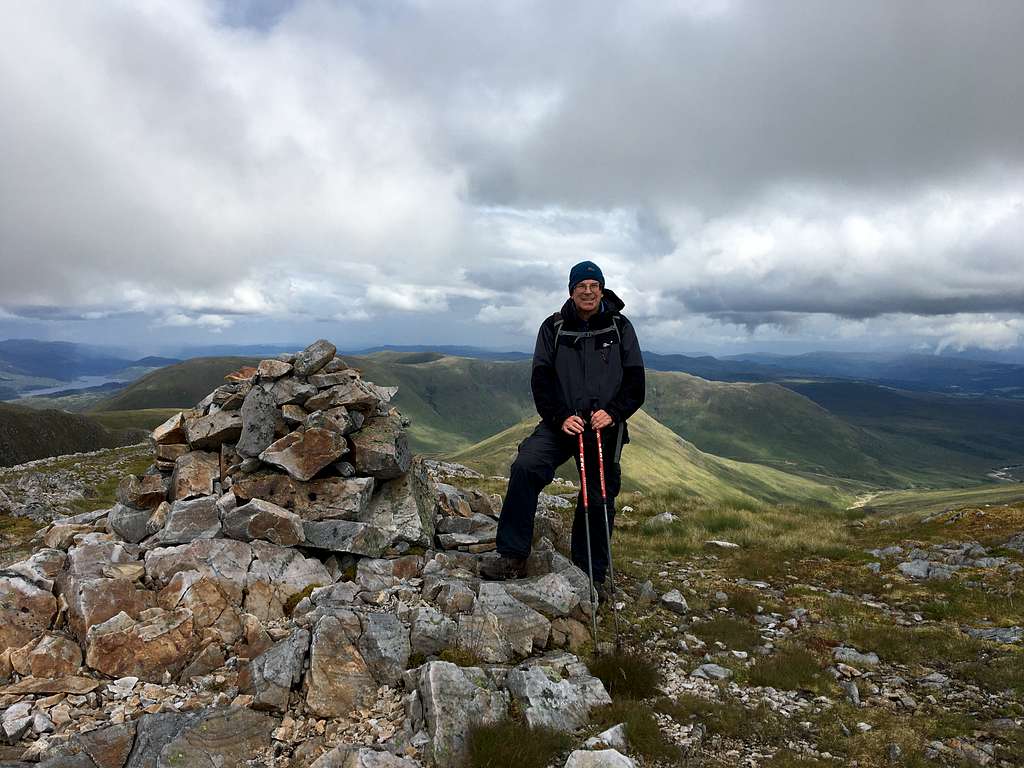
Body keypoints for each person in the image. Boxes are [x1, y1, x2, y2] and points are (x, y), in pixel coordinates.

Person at [481, 260, 646, 600]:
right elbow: (540, 380)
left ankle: (590, 574)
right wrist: (559, 417)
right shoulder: (553, 327)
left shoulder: (620, 327)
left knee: (599, 495)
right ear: (571, 290)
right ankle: (512, 556)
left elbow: (635, 382)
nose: (588, 291)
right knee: (526, 467)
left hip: (603, 427)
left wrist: (612, 413)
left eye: (593, 285)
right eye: (581, 286)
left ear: (602, 289)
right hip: (562, 423)